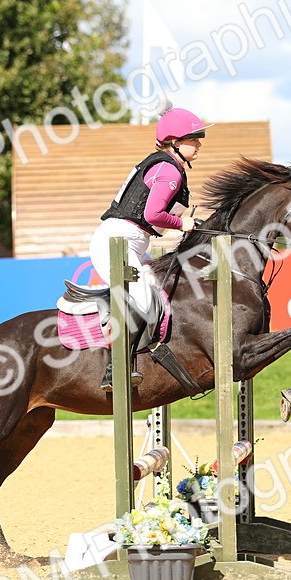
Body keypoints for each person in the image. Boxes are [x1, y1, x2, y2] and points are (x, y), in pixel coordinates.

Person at [89, 106, 211, 391]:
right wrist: (183, 224)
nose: (199, 144)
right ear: (175, 142)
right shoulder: (169, 170)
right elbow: (153, 215)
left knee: (161, 288)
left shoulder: (168, 166)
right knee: (143, 299)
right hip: (117, 242)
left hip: (129, 241)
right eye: (194, 139)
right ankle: (114, 369)